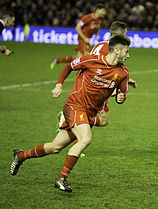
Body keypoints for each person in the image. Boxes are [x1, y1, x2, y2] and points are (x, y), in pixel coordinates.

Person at [10, 35, 131, 193]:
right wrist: (59, 85)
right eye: (126, 51)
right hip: (74, 105)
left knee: (55, 147)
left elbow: (121, 96)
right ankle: (62, 178)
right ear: (116, 50)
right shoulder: (91, 59)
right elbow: (68, 67)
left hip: (88, 113)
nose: (128, 55)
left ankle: (20, 156)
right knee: (85, 138)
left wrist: (121, 98)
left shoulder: (123, 73)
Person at [56, 21, 137, 129]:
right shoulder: (111, 49)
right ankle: (68, 119)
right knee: (99, 119)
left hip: (92, 82)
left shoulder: (102, 45)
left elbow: (107, 69)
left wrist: (125, 80)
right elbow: (101, 68)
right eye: (125, 34)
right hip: (94, 86)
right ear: (121, 35)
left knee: (100, 120)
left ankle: (73, 121)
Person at [50, 3, 106, 69]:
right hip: (82, 38)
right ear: (97, 10)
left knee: (78, 58)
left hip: (87, 38)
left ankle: (57, 60)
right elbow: (77, 27)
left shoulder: (101, 19)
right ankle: (84, 74)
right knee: (86, 57)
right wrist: (84, 38)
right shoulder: (87, 17)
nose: (104, 13)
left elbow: (97, 27)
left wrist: (96, 35)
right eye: (102, 11)